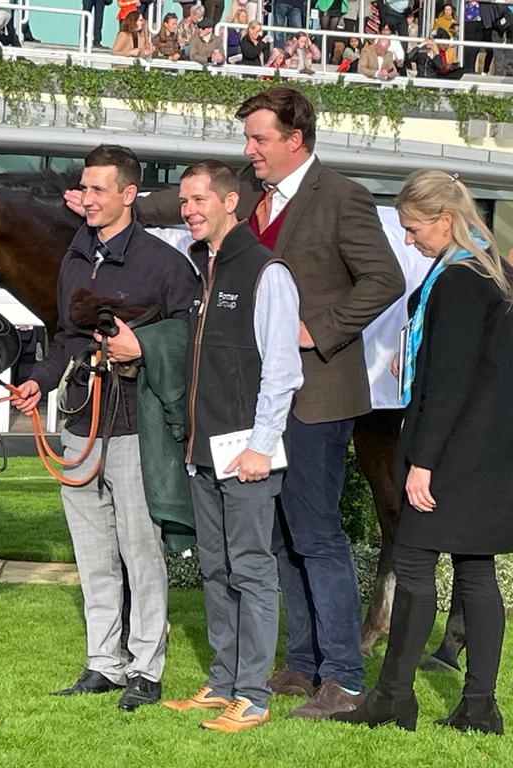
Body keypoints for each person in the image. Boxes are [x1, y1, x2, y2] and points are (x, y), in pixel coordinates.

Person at [95, 86, 405, 718]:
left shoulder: (341, 197)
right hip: (250, 405)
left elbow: (385, 279)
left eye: (259, 139)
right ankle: (301, 663)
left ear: (296, 140)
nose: (249, 149)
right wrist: (101, 199)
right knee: (278, 536)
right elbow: (183, 199)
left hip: (315, 395)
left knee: (317, 535)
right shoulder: (255, 203)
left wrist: (315, 328)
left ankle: (344, 676)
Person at [13, 145, 198, 712]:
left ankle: (146, 667)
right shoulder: (75, 258)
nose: (87, 200)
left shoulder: (166, 265)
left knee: (140, 550)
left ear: (127, 195)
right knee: (92, 551)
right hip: (78, 422)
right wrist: (39, 381)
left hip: (135, 425)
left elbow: (190, 341)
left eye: (98, 190)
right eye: (84, 189)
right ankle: (104, 663)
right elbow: (67, 337)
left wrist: (140, 349)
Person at [332, 170, 513, 735]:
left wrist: (423, 462)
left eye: (413, 229)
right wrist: (415, 358)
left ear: (445, 220)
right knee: (477, 574)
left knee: (413, 568)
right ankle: (479, 707)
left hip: (450, 451)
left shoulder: (458, 281)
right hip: (488, 449)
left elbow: (452, 383)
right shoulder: (494, 273)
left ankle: (392, 698)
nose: (408, 240)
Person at [160, 161, 303, 733]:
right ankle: (223, 684)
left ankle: (255, 694)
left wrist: (262, 446)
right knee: (216, 570)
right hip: (204, 454)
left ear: (229, 202)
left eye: (198, 200)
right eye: (184, 202)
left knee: (251, 570)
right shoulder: (203, 268)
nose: (189, 210)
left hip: (248, 455)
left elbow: (283, 371)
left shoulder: (266, 272)